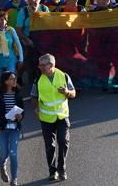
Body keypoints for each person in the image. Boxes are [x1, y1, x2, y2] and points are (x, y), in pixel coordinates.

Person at [31, 53, 75, 182]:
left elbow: (73, 93)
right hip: (46, 118)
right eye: (39, 65)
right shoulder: (38, 80)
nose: (40, 67)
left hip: (62, 116)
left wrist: (67, 92)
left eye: (42, 65)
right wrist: (36, 108)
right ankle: (52, 171)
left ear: (51, 65)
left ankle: (62, 169)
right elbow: (33, 97)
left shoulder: (64, 76)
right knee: (50, 146)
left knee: (63, 142)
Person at [0, 70, 25, 186]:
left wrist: (20, 116)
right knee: (4, 154)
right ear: (6, 81)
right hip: (2, 129)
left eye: (15, 78)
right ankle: (2, 165)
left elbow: (22, 111)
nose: (14, 80)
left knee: (13, 154)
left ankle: (14, 179)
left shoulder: (18, 95)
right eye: (12, 78)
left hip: (15, 128)